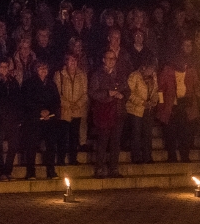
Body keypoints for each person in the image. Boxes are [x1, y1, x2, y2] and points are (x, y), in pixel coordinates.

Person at [157, 40, 200, 163]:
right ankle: (172, 156)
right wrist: (161, 104)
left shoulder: (191, 70)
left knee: (185, 133)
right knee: (170, 133)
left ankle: (185, 156)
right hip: (171, 107)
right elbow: (160, 88)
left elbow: (197, 84)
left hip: (186, 106)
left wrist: (199, 92)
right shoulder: (168, 70)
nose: (184, 63)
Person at [89, 49, 130, 178]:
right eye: (109, 58)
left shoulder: (120, 74)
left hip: (118, 112)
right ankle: (99, 169)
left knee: (115, 142)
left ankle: (114, 169)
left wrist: (123, 95)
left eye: (113, 58)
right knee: (103, 141)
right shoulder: (97, 75)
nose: (111, 61)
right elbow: (92, 93)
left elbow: (127, 90)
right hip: (104, 113)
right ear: (103, 59)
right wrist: (108, 93)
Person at [21, 60, 61, 180]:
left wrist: (49, 111)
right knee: (31, 146)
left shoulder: (51, 84)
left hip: (49, 119)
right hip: (34, 119)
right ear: (36, 70)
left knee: (51, 145)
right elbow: (26, 101)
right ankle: (31, 172)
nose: (43, 70)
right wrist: (40, 111)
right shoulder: (28, 83)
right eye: (40, 68)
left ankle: (51, 170)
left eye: (45, 68)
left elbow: (56, 101)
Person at [55, 52, 88, 167]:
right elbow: (57, 94)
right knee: (63, 136)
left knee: (74, 136)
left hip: (77, 110)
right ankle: (61, 159)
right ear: (66, 61)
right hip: (65, 111)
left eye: (75, 60)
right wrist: (68, 105)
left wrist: (78, 104)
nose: (73, 62)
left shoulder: (82, 75)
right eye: (70, 60)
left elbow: (85, 93)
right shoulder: (59, 75)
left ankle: (73, 158)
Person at [126, 61, 158, 165]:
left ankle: (147, 156)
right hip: (136, 109)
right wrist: (141, 102)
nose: (152, 71)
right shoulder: (134, 76)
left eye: (153, 69)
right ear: (144, 67)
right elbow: (129, 93)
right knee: (137, 133)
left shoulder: (153, 77)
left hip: (148, 109)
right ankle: (136, 157)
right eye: (150, 69)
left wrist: (154, 101)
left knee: (147, 133)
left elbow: (155, 91)